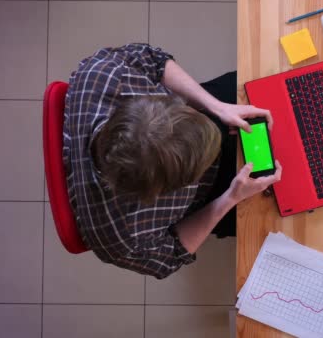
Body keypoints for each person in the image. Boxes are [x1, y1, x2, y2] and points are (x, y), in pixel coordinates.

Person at [63, 43, 282, 279]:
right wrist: (231, 198)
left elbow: (155, 60)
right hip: (217, 193)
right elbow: (174, 253)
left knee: (270, 88)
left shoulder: (102, 75)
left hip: (211, 111)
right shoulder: (122, 238)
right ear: (165, 190)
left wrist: (214, 107)